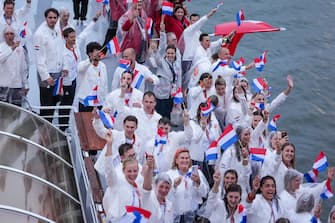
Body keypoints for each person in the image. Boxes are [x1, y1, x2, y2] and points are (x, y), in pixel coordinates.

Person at [102, 130, 153, 222]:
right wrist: (109, 145)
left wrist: (149, 169)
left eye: (135, 171)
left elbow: (147, 189)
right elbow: (109, 169)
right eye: (129, 171)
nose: (133, 174)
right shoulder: (117, 178)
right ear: (124, 170)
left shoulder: (139, 172)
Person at [33, 8, 63, 122]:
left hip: (57, 71)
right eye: (50, 17)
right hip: (46, 74)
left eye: (55, 18)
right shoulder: (39, 34)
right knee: (46, 103)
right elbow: (39, 58)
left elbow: (60, 49)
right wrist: (46, 76)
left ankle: (49, 125)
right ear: (46, 18)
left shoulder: (57, 28)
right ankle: (44, 128)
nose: (53, 20)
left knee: (55, 100)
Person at [166, 148, 209, 223]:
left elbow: (204, 194)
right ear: (176, 160)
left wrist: (198, 183)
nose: (185, 160)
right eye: (182, 158)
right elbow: (166, 197)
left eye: (187, 158)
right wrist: (174, 186)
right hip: (175, 216)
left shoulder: (197, 173)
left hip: (193, 215)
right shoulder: (169, 175)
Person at [59, 27, 81, 131]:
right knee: (65, 105)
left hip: (74, 79)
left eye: (74, 36)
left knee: (70, 103)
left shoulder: (75, 47)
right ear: (65, 38)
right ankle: (62, 127)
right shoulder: (62, 52)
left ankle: (66, 124)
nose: (74, 39)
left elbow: (85, 34)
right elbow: (62, 67)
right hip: (66, 82)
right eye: (71, 37)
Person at [0, 26, 28, 106]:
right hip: (3, 86)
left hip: (16, 86)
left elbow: (23, 68)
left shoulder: (20, 49)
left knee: (16, 111)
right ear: (4, 36)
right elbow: (1, 59)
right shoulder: (1, 47)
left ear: (14, 35)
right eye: (7, 34)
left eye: (11, 34)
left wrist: (25, 84)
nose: (9, 36)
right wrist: (12, 48)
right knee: (3, 111)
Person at [152, 44, 182, 119]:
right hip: (161, 92)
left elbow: (179, 78)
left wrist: (179, 90)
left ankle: (167, 126)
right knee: (160, 113)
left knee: (168, 112)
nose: (170, 55)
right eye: (168, 53)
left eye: (172, 53)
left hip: (171, 92)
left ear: (175, 54)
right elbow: (157, 59)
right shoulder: (162, 62)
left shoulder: (177, 64)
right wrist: (155, 51)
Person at [77, 41, 108, 112]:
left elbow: (105, 85)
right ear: (90, 53)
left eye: (99, 52)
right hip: (86, 102)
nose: (99, 54)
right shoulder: (84, 65)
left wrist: (105, 101)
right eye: (96, 52)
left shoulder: (103, 66)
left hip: (99, 103)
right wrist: (91, 60)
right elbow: (80, 69)